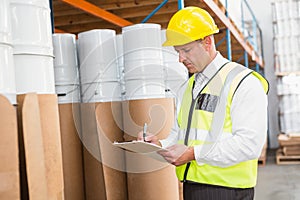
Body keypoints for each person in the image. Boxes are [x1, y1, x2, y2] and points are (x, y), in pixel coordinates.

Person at [138, 6, 269, 200]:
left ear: (207, 42)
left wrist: (193, 154)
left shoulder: (242, 82)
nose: (181, 59)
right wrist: (160, 144)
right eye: (177, 51)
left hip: (227, 190)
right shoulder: (187, 88)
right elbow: (181, 134)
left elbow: (249, 145)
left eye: (186, 50)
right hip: (192, 187)